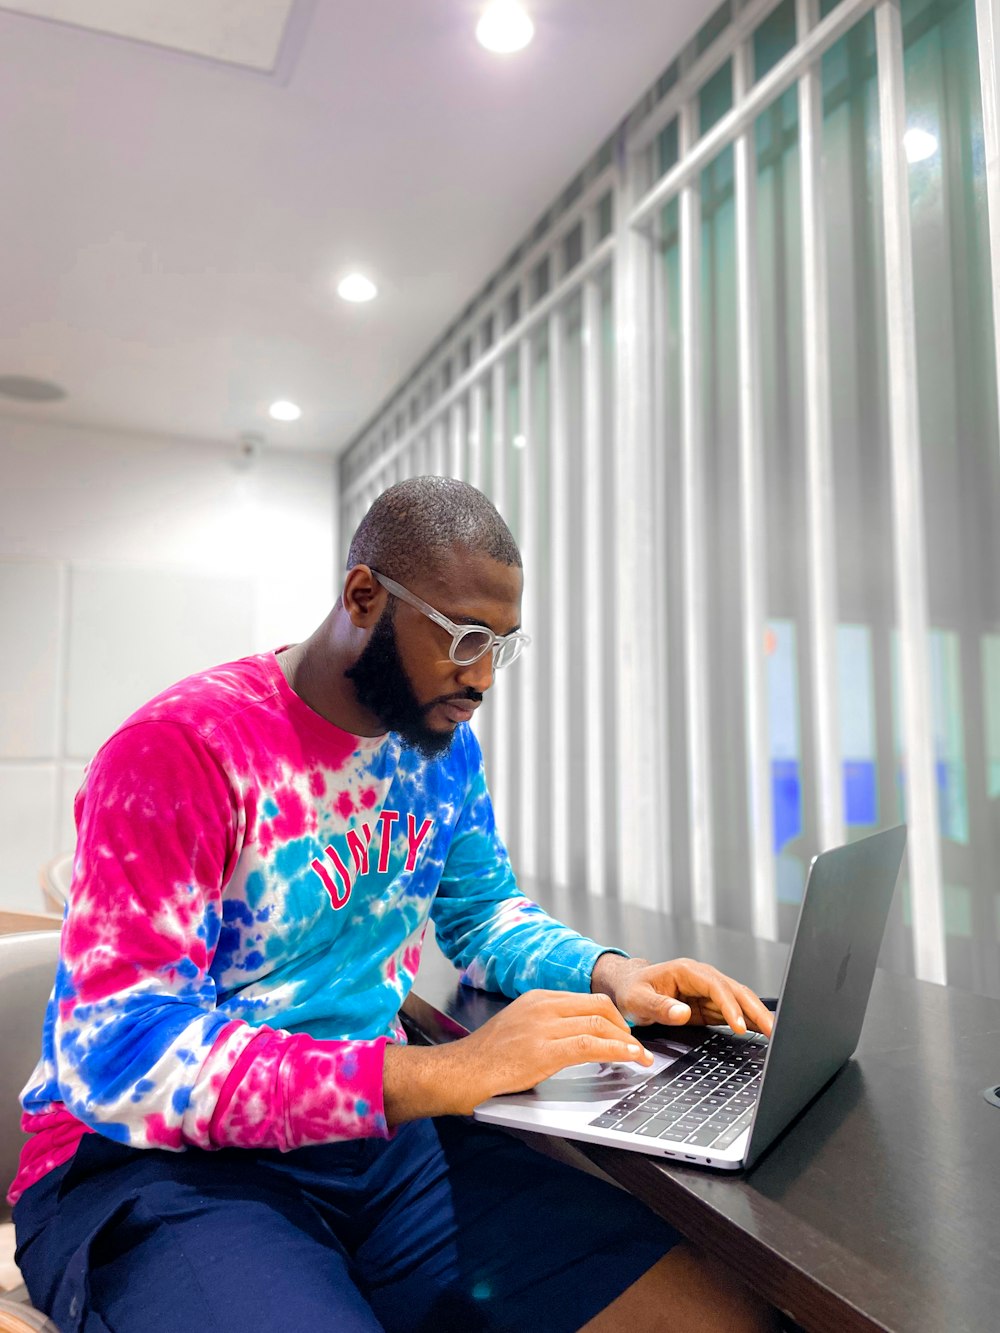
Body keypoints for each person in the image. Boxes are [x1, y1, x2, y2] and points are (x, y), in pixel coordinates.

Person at [9, 477, 777, 1332]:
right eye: (463, 637)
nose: (483, 676)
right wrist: (442, 1072)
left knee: (721, 1313)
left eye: (503, 645)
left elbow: (482, 915)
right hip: (159, 1166)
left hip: (373, 1149)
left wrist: (614, 973)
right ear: (364, 596)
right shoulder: (182, 750)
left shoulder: (439, 749)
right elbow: (121, 1052)